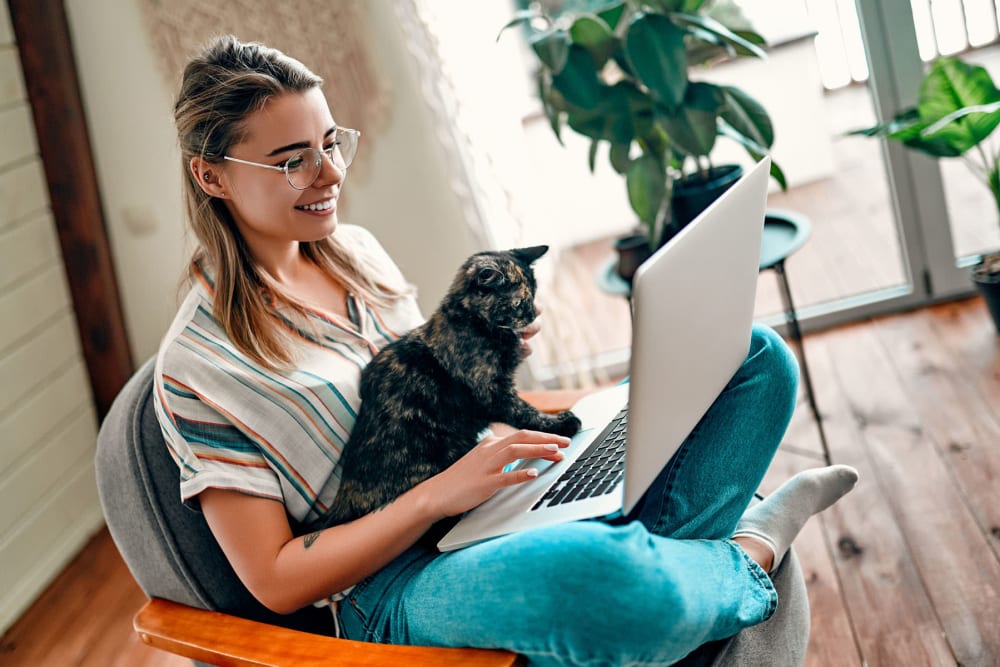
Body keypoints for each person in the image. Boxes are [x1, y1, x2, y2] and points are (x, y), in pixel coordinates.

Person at [154, 35, 858, 666]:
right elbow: (276, 580)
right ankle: (743, 557)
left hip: (492, 497)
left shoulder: (354, 254)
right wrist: (438, 495)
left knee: (757, 359)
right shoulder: (200, 367)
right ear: (211, 176)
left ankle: (649, 590)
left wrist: (486, 359)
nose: (330, 174)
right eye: (291, 161)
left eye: (331, 142)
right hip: (395, 585)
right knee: (599, 579)